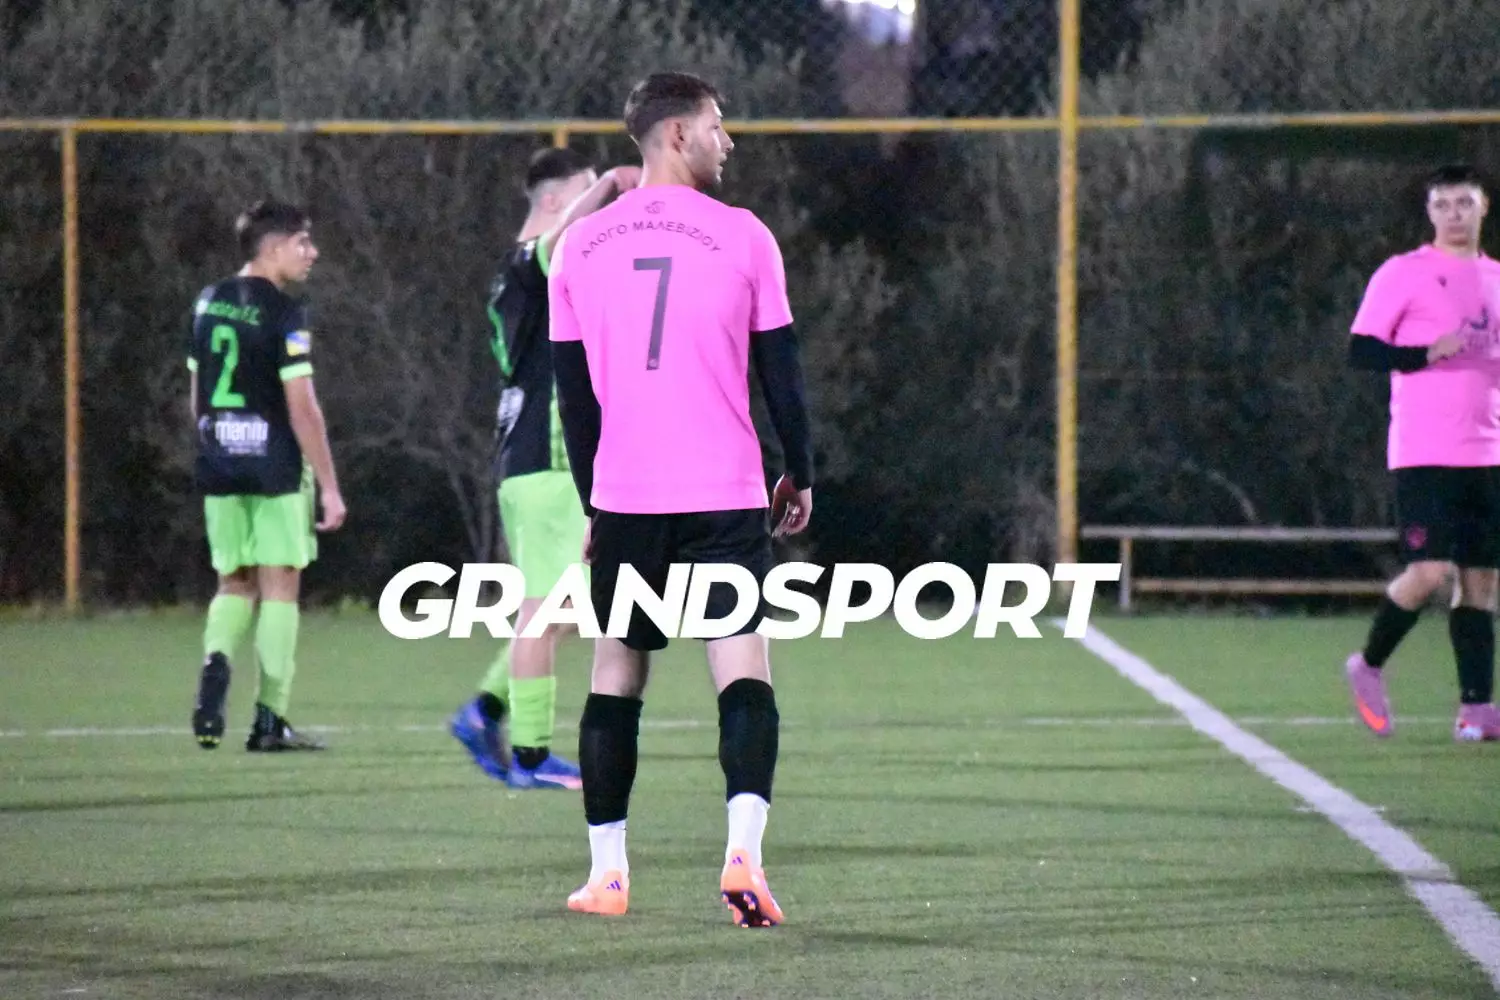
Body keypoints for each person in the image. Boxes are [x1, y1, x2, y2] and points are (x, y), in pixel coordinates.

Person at [548, 72, 815, 926]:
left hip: (627, 498)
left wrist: (594, 503)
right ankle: (744, 856)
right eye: (716, 125)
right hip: (724, 492)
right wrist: (800, 470)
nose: (726, 141)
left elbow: (575, 401)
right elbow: (781, 374)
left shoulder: (576, 249)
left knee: (616, 675)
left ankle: (607, 876)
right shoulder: (744, 236)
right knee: (742, 671)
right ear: (675, 135)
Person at [449, 148, 643, 790]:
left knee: (568, 607)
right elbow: (560, 242)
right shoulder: (530, 261)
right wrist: (610, 183)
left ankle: (484, 710)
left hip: (533, 461)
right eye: (583, 194)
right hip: (547, 460)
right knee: (546, 609)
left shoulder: (523, 275)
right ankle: (530, 756)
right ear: (556, 201)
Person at [1345, 163, 1500, 742]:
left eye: (1464, 203)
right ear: (1429, 212)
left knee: (1481, 581)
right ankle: (1369, 664)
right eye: (1443, 205)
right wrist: (1424, 353)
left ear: (1483, 208)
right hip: (1425, 451)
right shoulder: (1403, 273)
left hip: (1488, 452)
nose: (1454, 215)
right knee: (1429, 572)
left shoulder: (1496, 278)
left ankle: (1475, 710)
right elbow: (1362, 351)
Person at [189, 199, 346, 753]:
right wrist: (329, 485)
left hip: (218, 460)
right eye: (303, 242)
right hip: (274, 465)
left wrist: (213, 443)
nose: (312, 252)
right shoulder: (285, 312)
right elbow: (302, 407)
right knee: (281, 588)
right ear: (274, 246)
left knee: (233, 581)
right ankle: (269, 719)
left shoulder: (207, 302)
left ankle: (216, 661)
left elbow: (196, 394)